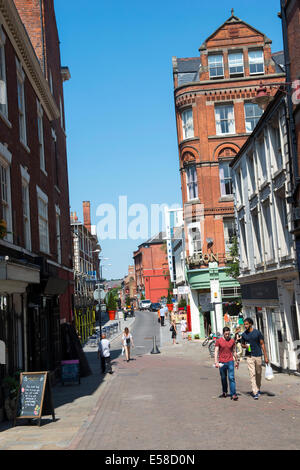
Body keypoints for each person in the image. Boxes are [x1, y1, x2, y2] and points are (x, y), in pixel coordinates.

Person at [241, 317, 269, 400]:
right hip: (249, 356)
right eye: (244, 324)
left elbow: (262, 344)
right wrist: (245, 346)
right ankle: (255, 391)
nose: (245, 326)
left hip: (258, 355)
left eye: (246, 324)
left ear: (250, 324)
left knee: (258, 373)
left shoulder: (257, 333)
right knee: (252, 374)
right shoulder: (244, 334)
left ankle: (258, 388)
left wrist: (266, 357)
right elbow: (242, 344)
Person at [214, 327, 239, 401]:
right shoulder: (219, 341)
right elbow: (216, 351)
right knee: (223, 378)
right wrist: (216, 362)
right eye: (226, 334)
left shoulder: (232, 341)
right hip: (221, 362)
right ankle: (224, 392)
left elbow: (234, 351)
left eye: (228, 334)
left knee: (231, 377)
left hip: (230, 361)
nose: (227, 335)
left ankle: (233, 394)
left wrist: (237, 361)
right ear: (223, 333)